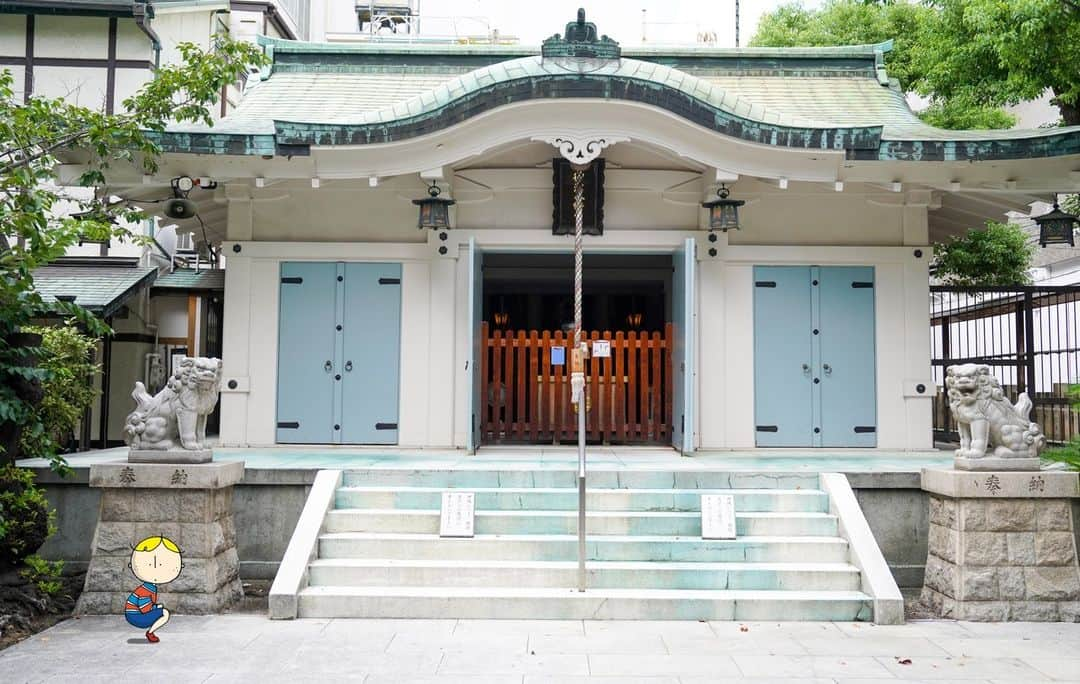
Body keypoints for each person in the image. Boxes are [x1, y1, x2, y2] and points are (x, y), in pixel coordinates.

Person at [125, 535, 183, 643]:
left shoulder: (149, 587)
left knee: (161, 610)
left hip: (135, 614)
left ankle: (150, 631)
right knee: (165, 613)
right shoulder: (146, 590)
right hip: (136, 616)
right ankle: (150, 632)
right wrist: (157, 607)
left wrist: (155, 607)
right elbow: (145, 609)